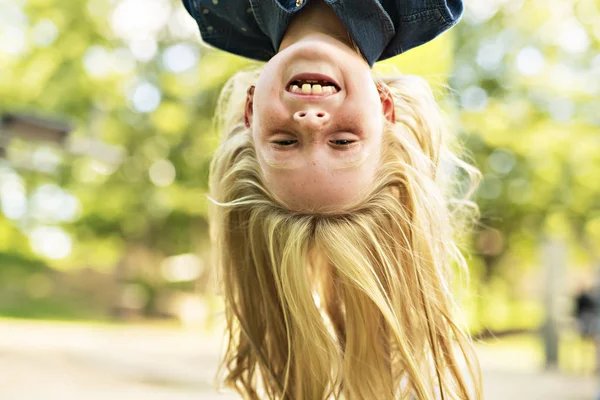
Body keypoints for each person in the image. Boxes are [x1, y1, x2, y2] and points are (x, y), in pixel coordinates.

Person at [183, 1, 482, 398]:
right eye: (342, 142)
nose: (310, 122)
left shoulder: (216, 13)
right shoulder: (430, 6)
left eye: (285, 143)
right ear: (384, 107)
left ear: (251, 111)